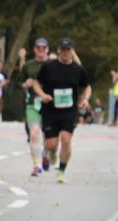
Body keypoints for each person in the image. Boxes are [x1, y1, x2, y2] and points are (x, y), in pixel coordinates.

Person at [33, 37, 91, 183]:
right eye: (63, 50)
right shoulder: (49, 66)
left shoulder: (78, 70)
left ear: (72, 51)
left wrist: (85, 99)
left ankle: (62, 170)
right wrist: (42, 95)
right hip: (50, 110)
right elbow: (36, 83)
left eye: (68, 50)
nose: (65, 53)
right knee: (51, 145)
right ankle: (50, 153)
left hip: (69, 111)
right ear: (59, 51)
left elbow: (87, 86)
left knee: (66, 139)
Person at [17, 39, 49, 175]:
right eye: (38, 48)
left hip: (50, 104)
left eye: (43, 47)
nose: (41, 50)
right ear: (34, 49)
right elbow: (19, 81)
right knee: (34, 134)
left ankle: (46, 155)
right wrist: (25, 84)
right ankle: (37, 165)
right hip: (33, 104)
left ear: (47, 49)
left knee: (49, 140)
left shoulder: (53, 64)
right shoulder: (29, 65)